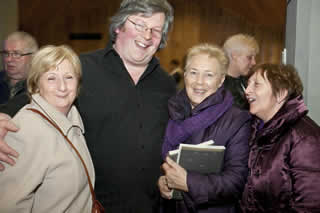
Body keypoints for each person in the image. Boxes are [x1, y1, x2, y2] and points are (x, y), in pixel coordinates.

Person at [0, 0, 176, 212]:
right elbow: (31, 95)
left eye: (156, 30)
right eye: (139, 25)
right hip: (92, 205)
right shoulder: (81, 68)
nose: (147, 36)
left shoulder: (166, 84)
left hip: (150, 206)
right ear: (119, 26)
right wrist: (2, 117)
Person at [0, 45, 95, 212]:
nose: (62, 87)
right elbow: (9, 205)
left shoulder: (72, 122)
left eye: (69, 77)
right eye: (51, 78)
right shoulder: (28, 129)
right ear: (36, 85)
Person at [158, 43, 251, 213]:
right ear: (184, 75)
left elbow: (237, 182)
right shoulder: (171, 111)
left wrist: (188, 182)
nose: (199, 82)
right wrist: (164, 182)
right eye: (193, 73)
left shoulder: (238, 120)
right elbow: (164, 162)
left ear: (221, 80)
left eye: (209, 75)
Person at [240, 63, 320, 212]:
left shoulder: (305, 138)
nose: (247, 91)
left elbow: (310, 205)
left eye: (256, 84)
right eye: (248, 84)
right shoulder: (255, 128)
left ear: (281, 93)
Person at [0, 31, 38, 107]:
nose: (8, 59)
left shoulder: (40, 87)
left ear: (33, 56)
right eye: (6, 53)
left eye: (16, 54)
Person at [222, 34, 259, 110]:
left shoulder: (249, 81)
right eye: (249, 57)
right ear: (234, 56)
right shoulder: (219, 86)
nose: (254, 62)